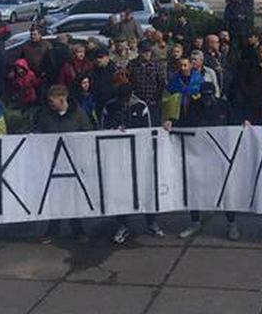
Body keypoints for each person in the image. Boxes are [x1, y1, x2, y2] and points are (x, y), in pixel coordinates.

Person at [173, 82, 240, 241]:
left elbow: (234, 123)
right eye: (204, 96)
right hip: (199, 154)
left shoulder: (224, 106)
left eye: (209, 96)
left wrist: (244, 123)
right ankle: (195, 222)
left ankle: (232, 224)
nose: (206, 100)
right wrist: (171, 122)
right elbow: (185, 123)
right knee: (194, 189)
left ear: (214, 95)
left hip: (220, 155)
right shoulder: (194, 106)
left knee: (226, 190)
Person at [100, 83, 166, 244]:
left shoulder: (140, 106)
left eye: (126, 99)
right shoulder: (109, 107)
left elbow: (148, 129)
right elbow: (102, 128)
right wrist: (114, 129)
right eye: (122, 100)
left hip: (138, 152)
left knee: (144, 187)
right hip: (117, 154)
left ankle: (151, 221)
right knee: (121, 189)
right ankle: (123, 224)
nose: (124, 103)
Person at [34, 85, 92, 243]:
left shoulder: (78, 114)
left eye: (52, 101)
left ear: (62, 99)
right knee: (54, 197)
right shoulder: (45, 115)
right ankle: (53, 230)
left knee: (74, 197)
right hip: (52, 162)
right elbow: (38, 133)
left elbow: (88, 133)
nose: (49, 104)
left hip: (73, 162)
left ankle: (78, 229)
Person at [128, 40, 166, 125]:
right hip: (137, 102)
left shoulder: (157, 65)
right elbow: (129, 83)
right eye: (145, 52)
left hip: (154, 102)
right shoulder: (132, 65)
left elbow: (162, 84)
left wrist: (157, 99)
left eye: (149, 51)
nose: (147, 54)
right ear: (139, 52)